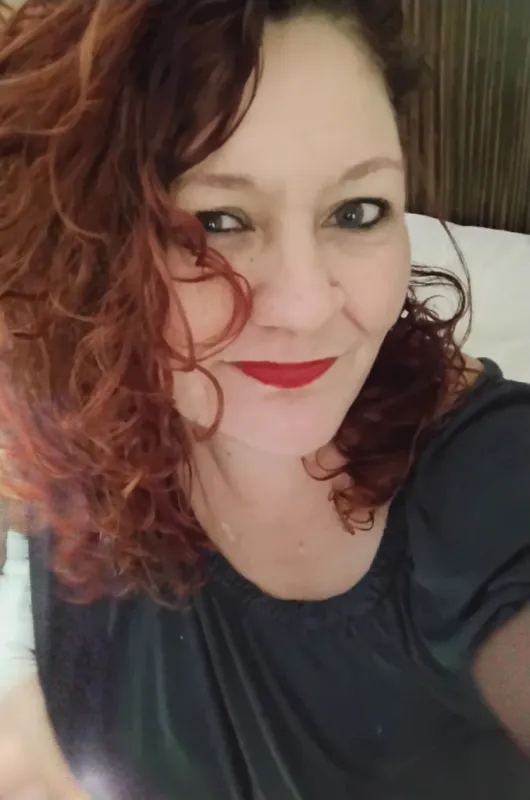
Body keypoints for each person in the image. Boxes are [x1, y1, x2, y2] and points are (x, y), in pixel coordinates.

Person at [0, 0, 529, 798]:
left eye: (356, 211)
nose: (307, 307)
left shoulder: (492, 484)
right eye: (216, 221)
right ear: (83, 245)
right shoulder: (66, 414)